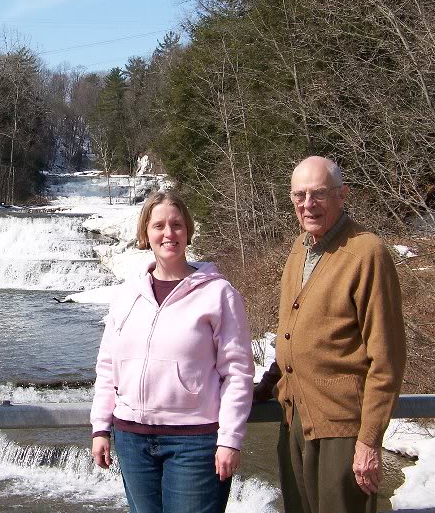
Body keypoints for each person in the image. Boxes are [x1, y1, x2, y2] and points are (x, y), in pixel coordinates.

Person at [254, 156, 406, 513]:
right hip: (295, 422)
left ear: (342, 195)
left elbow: (387, 359)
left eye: (319, 194)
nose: (308, 204)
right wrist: (265, 387)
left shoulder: (367, 254)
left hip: (342, 430)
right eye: (300, 195)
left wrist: (369, 441)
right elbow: (291, 336)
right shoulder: (300, 249)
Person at [90, 190, 254, 513]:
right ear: (145, 233)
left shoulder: (219, 293)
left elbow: (237, 372)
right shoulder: (127, 295)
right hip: (132, 439)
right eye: (159, 225)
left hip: (194, 443)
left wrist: (230, 438)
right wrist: (100, 427)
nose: (169, 233)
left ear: (188, 231)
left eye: (177, 225)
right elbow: (107, 367)